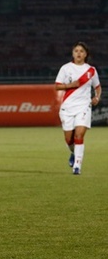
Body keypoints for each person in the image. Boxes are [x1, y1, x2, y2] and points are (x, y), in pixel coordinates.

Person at [54, 42, 101, 175]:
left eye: (81, 51)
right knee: (69, 139)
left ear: (86, 54)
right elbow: (57, 86)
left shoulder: (91, 70)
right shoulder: (66, 68)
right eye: (76, 51)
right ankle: (73, 153)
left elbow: (97, 87)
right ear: (73, 53)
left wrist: (97, 97)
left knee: (79, 135)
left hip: (84, 106)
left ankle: (77, 166)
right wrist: (71, 85)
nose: (79, 53)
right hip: (67, 107)